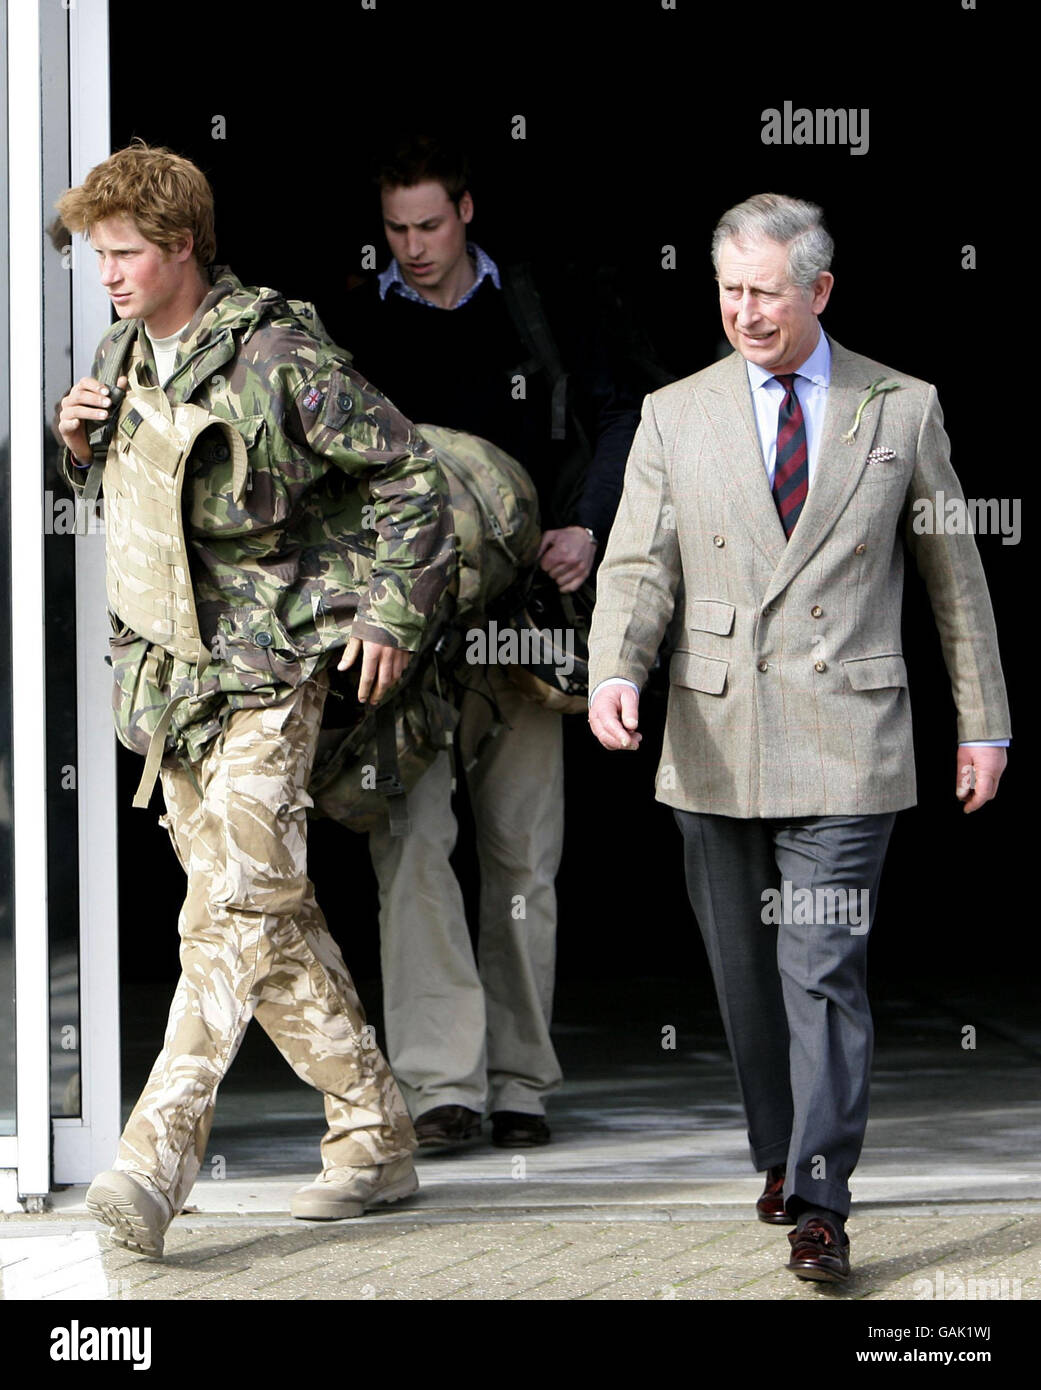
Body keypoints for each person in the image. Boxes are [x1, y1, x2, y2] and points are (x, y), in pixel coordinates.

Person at [587, 193, 1010, 1283]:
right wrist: (616, 670)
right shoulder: (674, 412)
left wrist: (985, 725)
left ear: (819, 290)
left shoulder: (900, 407)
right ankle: (777, 1153)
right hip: (716, 729)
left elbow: (954, 582)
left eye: (765, 291)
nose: (744, 312)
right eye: (729, 291)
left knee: (822, 965)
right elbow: (641, 564)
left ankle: (822, 1195)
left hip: (848, 733)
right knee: (744, 974)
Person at [55, 141, 456, 1256]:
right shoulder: (123, 351)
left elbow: (409, 476)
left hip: (273, 676)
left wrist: (389, 615)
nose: (111, 274)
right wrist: (78, 445)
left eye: (127, 253)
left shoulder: (281, 354)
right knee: (271, 913)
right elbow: (149, 497)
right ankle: (375, 1132)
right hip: (170, 681)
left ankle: (151, 1160)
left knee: (227, 907)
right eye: (99, 256)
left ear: (185, 245)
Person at [327, 135, 642, 1151]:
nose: (413, 248)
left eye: (429, 225)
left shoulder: (540, 309)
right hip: (411, 631)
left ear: (467, 210)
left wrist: (589, 522)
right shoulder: (357, 323)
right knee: (412, 848)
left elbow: (622, 410)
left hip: (526, 625)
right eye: (396, 229)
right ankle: (440, 1085)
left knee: (523, 856)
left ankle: (518, 1078)